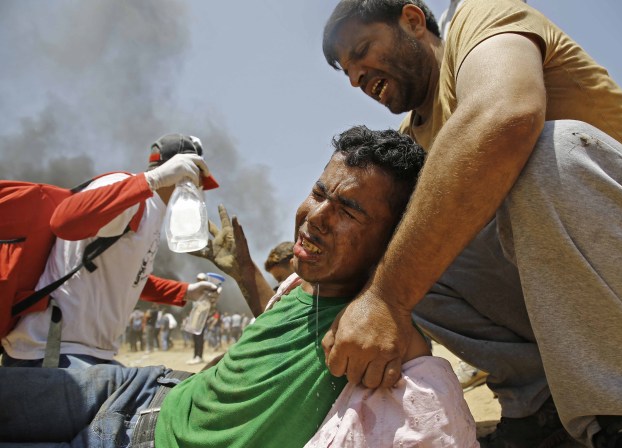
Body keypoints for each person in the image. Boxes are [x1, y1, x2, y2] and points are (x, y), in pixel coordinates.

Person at [0, 125, 479, 448]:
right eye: (318, 193)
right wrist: (243, 269)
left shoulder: (379, 335)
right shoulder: (300, 283)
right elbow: (274, 322)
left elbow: (431, 418)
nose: (315, 218)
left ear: (396, 236)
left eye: (349, 211)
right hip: (142, 385)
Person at [322, 1, 622, 447]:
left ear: (413, 21)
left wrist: (388, 297)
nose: (356, 78)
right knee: (400, 241)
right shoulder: (411, 142)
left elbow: (507, 115)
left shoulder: (482, 16)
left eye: (362, 50)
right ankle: (540, 404)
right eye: (347, 72)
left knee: (545, 151)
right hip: (571, 308)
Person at [0, 133, 221, 368]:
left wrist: (187, 292)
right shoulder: (129, 193)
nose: (200, 190)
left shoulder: (153, 211)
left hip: (88, 352)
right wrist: (152, 179)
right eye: (200, 180)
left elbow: (129, 277)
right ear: (184, 172)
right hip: (51, 349)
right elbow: (64, 221)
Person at [186, 272, 223, 365]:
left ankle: (198, 356)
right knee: (196, 337)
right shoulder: (197, 290)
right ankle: (196, 356)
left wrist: (217, 290)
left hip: (202, 317)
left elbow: (213, 300)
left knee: (199, 337)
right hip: (196, 315)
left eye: (200, 280)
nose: (199, 281)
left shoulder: (207, 291)